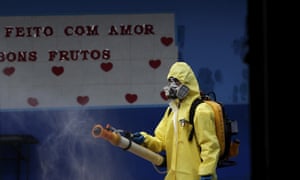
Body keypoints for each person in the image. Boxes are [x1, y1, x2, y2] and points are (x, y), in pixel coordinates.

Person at [132, 61, 220, 180]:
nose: (173, 86)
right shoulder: (172, 111)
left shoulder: (200, 110)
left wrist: (206, 172)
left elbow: (210, 145)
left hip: (195, 176)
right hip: (174, 176)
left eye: (177, 82)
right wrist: (145, 139)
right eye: (171, 81)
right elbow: (161, 142)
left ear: (188, 83)